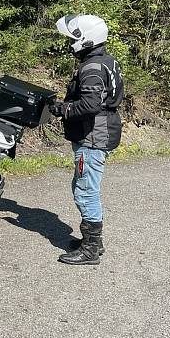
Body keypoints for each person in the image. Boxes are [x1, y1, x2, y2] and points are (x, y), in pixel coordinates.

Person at [49, 14, 124, 265]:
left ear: (86, 39)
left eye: (73, 38)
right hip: (100, 131)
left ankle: (91, 249)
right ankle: (93, 241)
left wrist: (61, 109)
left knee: (85, 191)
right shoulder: (106, 60)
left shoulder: (91, 67)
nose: (69, 43)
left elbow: (90, 105)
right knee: (83, 186)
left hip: (93, 136)